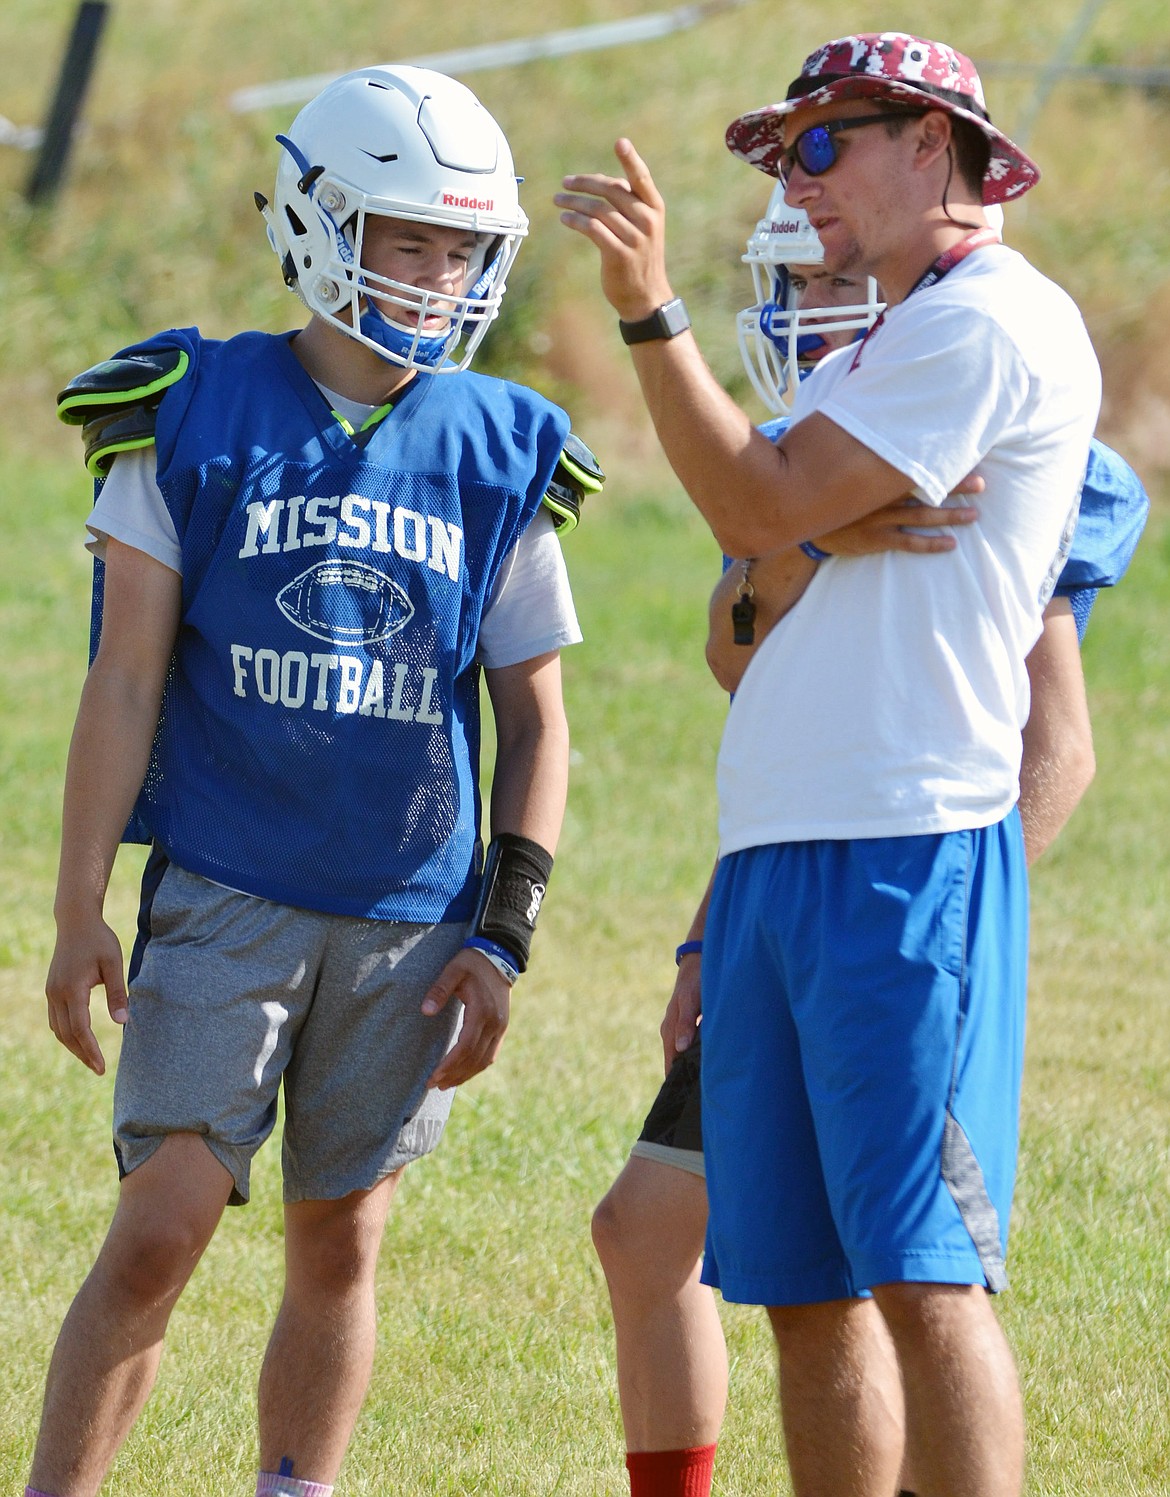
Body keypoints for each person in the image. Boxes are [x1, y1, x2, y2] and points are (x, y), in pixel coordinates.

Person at [30, 64, 602, 1497]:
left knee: (340, 1236)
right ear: (316, 217)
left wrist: (504, 933)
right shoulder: (195, 405)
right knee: (162, 1220)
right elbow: (124, 683)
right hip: (229, 885)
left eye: (461, 248)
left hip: (411, 912)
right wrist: (76, 903)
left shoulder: (499, 447)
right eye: (406, 237)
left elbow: (536, 719)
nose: (435, 275)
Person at [559, 31, 1104, 1496]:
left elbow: (749, 498)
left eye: (817, 148)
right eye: (778, 158)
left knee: (924, 1277)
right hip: (780, 853)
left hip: (901, 847)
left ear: (930, 144)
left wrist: (648, 311)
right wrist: (790, 531)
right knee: (799, 1287)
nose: (793, 191)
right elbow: (734, 628)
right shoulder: (875, 339)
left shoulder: (985, 318)